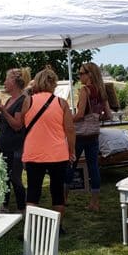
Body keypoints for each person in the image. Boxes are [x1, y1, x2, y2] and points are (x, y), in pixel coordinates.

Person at [21, 68, 75, 228]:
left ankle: (31, 228)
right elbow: (70, 130)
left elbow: (23, 124)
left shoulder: (28, 101)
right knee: (57, 191)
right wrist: (71, 150)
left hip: (34, 152)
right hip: (57, 154)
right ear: (54, 84)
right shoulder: (61, 103)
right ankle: (58, 227)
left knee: (33, 190)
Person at [66, 62, 112, 211]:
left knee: (70, 164)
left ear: (89, 74)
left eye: (81, 73)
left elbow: (79, 115)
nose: (79, 76)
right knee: (94, 167)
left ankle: (63, 199)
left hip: (80, 134)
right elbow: (109, 115)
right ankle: (95, 203)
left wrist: (66, 119)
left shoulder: (85, 90)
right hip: (93, 134)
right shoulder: (102, 90)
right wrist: (96, 117)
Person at [0, 67, 28, 212]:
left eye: (7, 79)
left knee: (15, 178)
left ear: (15, 82)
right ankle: (4, 205)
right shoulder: (10, 100)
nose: (4, 82)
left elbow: (18, 125)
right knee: (3, 175)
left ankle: (21, 208)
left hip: (16, 147)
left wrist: (3, 111)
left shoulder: (22, 100)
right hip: (5, 145)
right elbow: (7, 121)